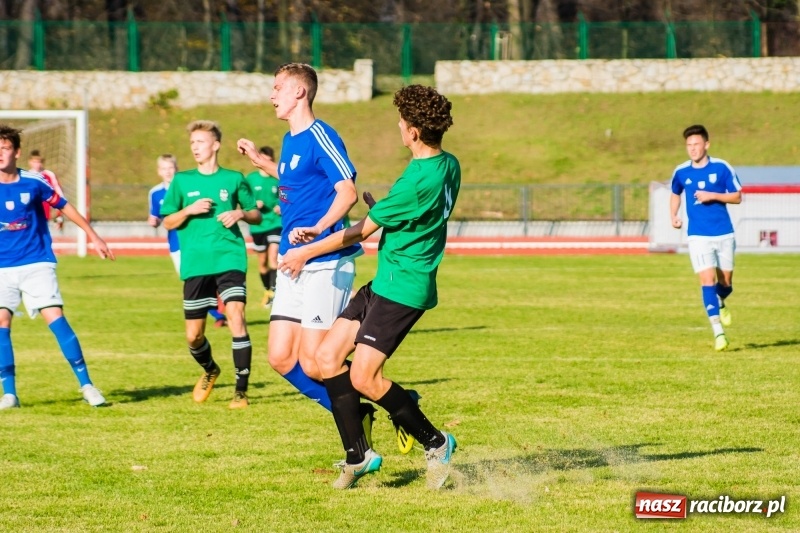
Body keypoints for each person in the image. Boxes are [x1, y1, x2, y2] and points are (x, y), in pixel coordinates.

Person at [280, 84, 461, 490]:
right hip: (385, 280)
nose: (398, 126)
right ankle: (358, 455)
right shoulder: (449, 164)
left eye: (401, 121)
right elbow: (410, 217)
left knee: (363, 378)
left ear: (413, 132)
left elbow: (359, 232)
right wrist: (388, 212)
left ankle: (436, 441)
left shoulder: (415, 181)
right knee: (327, 359)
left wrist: (306, 252)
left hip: (403, 289)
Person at [237, 63, 373, 430]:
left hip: (326, 262)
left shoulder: (321, 135)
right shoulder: (290, 139)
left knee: (315, 363)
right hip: (291, 260)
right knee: (281, 358)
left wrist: (317, 229)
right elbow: (296, 179)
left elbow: (347, 192)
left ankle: (391, 401)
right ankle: (358, 415)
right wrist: (262, 162)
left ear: (300, 92)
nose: (271, 95)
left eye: (277, 87)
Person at [0, 124, 114, 410]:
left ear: (17, 152)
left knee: (56, 318)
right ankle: (10, 394)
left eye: (4, 148)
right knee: (1, 324)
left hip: (36, 262)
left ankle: (87, 385)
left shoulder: (35, 182)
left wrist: (93, 235)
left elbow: (64, 206)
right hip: (2, 268)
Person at [160, 120, 261, 409]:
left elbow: (254, 214)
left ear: (215, 145)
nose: (195, 147)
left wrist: (239, 214)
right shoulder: (182, 181)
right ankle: (211, 370)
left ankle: (241, 391)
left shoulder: (234, 178)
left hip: (229, 258)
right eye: (192, 143)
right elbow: (168, 221)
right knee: (194, 336)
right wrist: (189, 210)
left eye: (200, 142)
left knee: (236, 318)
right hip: (196, 264)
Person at [670, 124, 742, 351]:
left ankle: (721, 301)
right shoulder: (681, 171)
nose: (692, 149)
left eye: (696, 144)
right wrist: (673, 215)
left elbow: (738, 197)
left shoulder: (722, 168)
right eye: (688, 145)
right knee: (707, 281)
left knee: (726, 284)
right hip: (698, 236)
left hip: (724, 233)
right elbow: (675, 192)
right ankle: (718, 333)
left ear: (706, 144)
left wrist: (713, 195)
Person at [148, 154, 227, 327]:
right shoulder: (155, 193)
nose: (168, 172)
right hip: (176, 243)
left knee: (203, 277)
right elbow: (156, 217)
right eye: (164, 169)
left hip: (195, 240)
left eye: (170, 168)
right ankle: (217, 311)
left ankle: (219, 314)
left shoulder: (187, 186)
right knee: (189, 279)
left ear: (176, 168)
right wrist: (154, 222)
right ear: (158, 171)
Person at [244, 146, 282, 308]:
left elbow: (288, 195)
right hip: (258, 226)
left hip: (275, 223)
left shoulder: (278, 177)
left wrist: (281, 205)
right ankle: (268, 290)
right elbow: (245, 201)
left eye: (269, 160)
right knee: (262, 262)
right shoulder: (251, 179)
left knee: (274, 256)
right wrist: (254, 205)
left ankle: (275, 292)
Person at [27, 149, 64, 231]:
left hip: (46, 215)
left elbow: (59, 194)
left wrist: (59, 214)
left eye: (39, 162)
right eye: (35, 161)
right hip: (30, 214)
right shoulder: (26, 176)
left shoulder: (49, 175)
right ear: (30, 162)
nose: (37, 164)